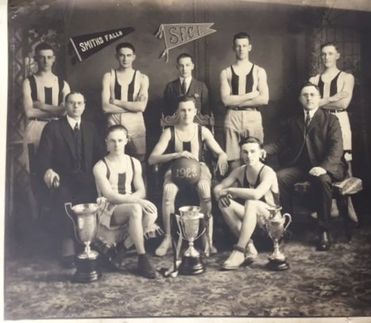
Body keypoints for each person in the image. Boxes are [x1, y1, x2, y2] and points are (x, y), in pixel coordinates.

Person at [264, 82, 346, 251]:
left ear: (319, 98)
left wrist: (324, 167)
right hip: (301, 167)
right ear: (300, 99)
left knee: (323, 180)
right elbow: (280, 143)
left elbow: (336, 148)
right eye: (305, 95)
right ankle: (287, 226)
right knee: (280, 177)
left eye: (312, 95)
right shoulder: (294, 121)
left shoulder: (330, 119)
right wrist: (262, 151)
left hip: (324, 166)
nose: (309, 98)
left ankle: (323, 230)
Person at [148, 96, 229, 257]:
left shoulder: (202, 130)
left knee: (205, 190)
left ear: (195, 111)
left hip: (199, 169)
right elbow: (152, 159)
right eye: (182, 110)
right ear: (177, 112)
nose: (186, 113)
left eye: (189, 110)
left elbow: (220, 152)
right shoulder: (169, 132)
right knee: (168, 191)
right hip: (176, 170)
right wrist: (177, 154)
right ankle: (168, 237)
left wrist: (221, 156)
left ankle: (207, 239)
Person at [37, 92, 105, 267]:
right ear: (65, 105)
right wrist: (50, 172)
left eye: (79, 103)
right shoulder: (53, 128)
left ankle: (91, 241)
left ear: (84, 106)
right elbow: (43, 158)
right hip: (64, 179)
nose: (76, 106)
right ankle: (67, 242)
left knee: (97, 196)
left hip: (88, 179)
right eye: (72, 103)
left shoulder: (91, 128)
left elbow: (101, 155)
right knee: (63, 196)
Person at [93, 125, 160, 279]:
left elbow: (141, 190)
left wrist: (137, 201)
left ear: (126, 141)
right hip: (109, 208)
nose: (116, 145)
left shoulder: (134, 163)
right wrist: (137, 202)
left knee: (152, 212)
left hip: (130, 203)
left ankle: (121, 249)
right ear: (106, 143)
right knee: (136, 209)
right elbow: (110, 195)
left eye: (120, 140)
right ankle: (142, 258)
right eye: (112, 141)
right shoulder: (100, 166)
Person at [214, 136, 280, 270]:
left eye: (253, 151)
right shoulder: (240, 170)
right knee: (223, 203)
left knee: (251, 202)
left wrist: (230, 190)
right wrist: (220, 194)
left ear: (261, 153)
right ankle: (249, 246)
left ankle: (239, 251)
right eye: (245, 152)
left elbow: (256, 194)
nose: (248, 156)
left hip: (270, 225)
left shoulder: (268, 172)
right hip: (249, 225)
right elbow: (218, 188)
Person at [21, 42, 71, 219]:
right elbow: (29, 111)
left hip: (57, 128)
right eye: (41, 57)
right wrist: (56, 108)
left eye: (49, 57)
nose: (45, 61)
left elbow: (66, 110)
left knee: (58, 169)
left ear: (54, 59)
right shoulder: (29, 82)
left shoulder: (62, 84)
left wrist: (41, 105)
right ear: (36, 59)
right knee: (35, 171)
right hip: (36, 127)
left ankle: (57, 215)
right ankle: (37, 219)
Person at [309, 42, 357, 222]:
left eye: (330, 53)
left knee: (344, 163)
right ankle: (328, 207)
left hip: (341, 120)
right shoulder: (314, 80)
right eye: (323, 54)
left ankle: (350, 208)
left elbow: (344, 104)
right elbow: (312, 103)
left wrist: (320, 101)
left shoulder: (347, 77)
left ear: (338, 55)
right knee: (321, 160)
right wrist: (333, 99)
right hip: (320, 122)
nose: (326, 57)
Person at [220, 32, 269, 170]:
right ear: (233, 48)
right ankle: (236, 190)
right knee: (233, 159)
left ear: (250, 47)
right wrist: (251, 95)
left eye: (244, 45)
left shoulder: (259, 71)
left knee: (255, 157)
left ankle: (254, 190)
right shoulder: (226, 72)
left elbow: (264, 99)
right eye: (238, 46)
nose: (241, 49)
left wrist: (235, 100)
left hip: (252, 116)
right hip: (232, 116)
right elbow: (225, 100)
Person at [102, 42, 149, 162]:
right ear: (116, 56)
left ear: (134, 57)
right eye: (122, 55)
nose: (125, 59)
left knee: (139, 160)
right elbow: (106, 107)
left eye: (128, 55)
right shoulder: (109, 76)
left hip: (136, 124)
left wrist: (116, 102)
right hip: (114, 122)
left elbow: (142, 107)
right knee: (114, 158)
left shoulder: (142, 78)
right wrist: (133, 107)